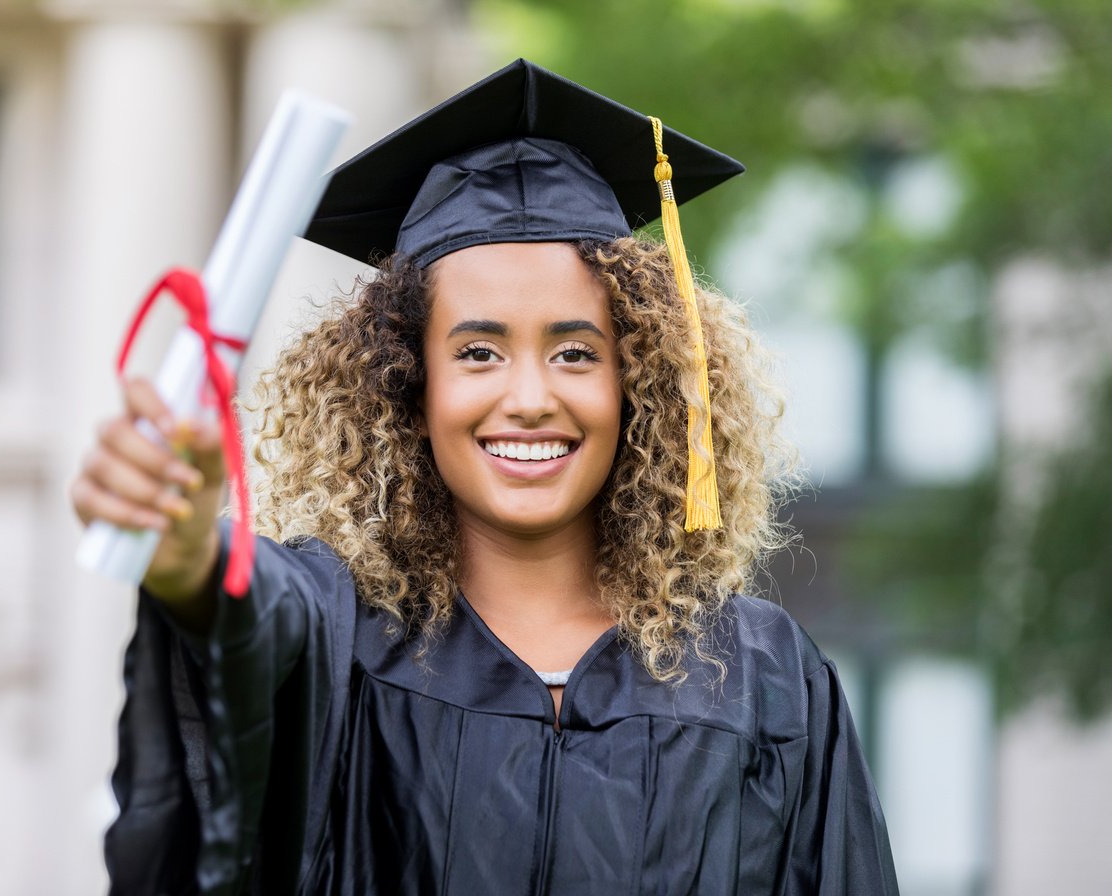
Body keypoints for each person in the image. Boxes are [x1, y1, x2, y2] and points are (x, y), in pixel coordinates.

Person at [71, 60, 898, 895]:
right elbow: (251, 620)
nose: (531, 398)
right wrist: (187, 555)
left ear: (640, 380)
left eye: (577, 353)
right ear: (407, 384)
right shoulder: (339, 636)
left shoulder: (759, 676)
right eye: (478, 353)